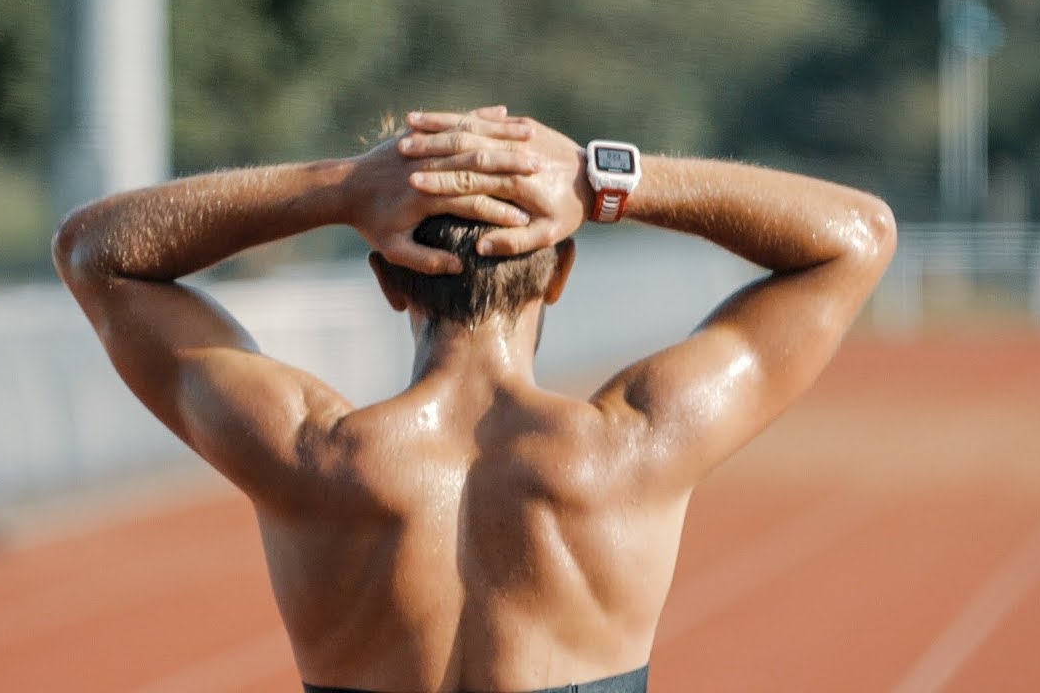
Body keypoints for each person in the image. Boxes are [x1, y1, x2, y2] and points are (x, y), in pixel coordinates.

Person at [52, 104, 897, 693]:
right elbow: (859, 238)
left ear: (387, 279)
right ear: (558, 274)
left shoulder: (308, 456)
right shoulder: (633, 448)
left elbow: (94, 251)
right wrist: (604, 180)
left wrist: (343, 187)